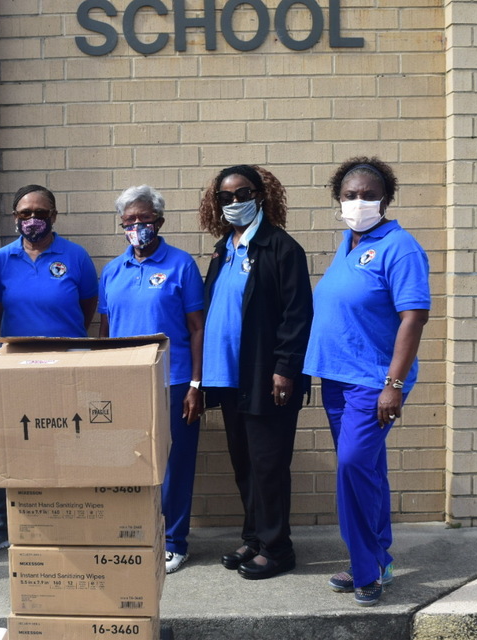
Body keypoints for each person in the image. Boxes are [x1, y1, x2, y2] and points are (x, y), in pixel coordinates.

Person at [303, 157, 430, 607]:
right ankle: (379, 557)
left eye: (369, 195)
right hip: (337, 379)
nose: (359, 202)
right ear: (338, 200)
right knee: (367, 469)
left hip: (374, 382)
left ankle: (365, 569)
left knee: (352, 465)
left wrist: (393, 383)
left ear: (386, 199)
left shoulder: (400, 247)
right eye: (350, 195)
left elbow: (414, 317)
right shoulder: (348, 244)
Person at [0, 184, 99, 558]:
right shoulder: (1, 260)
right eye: (25, 213)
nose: (32, 219)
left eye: (40, 213)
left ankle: (65, 521)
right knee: (6, 442)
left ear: (53, 216)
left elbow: (87, 306)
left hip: (67, 366)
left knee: (67, 441)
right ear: (15, 217)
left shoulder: (75, 256)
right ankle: (0, 526)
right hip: (16, 367)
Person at [198, 164, 312, 580]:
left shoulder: (281, 248)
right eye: (225, 197)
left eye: (242, 194)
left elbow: (298, 315)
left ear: (260, 196)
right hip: (230, 378)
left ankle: (278, 548)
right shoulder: (223, 249)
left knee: (268, 465)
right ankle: (255, 537)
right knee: (245, 464)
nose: (234, 202)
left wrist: (285, 369)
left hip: (267, 378)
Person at [98, 185, 205, 574]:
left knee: (175, 464)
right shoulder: (112, 271)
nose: (137, 226)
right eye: (129, 220)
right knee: (132, 461)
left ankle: (175, 541)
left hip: (173, 381)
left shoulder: (181, 265)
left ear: (159, 221)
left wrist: (196, 384)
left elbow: (197, 328)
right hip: (125, 383)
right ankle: (140, 533)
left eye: (144, 218)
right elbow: (106, 330)